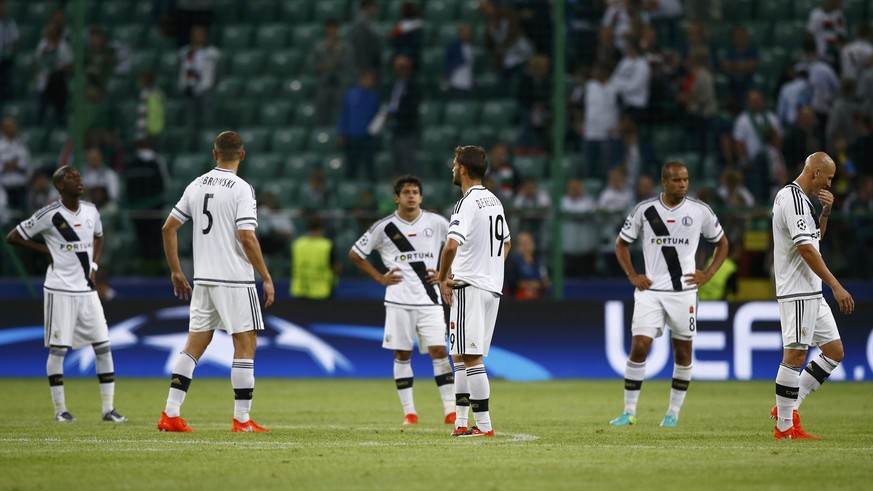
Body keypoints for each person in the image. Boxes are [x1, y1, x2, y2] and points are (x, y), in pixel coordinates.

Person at [158, 131, 275, 433]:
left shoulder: (196, 184)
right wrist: (265, 275)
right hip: (235, 279)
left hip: (204, 279)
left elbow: (168, 228)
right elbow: (247, 237)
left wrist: (175, 270)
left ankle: (170, 413)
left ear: (214, 154)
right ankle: (242, 419)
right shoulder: (242, 188)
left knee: (194, 345)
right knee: (245, 343)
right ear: (243, 155)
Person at [610, 160, 729, 427]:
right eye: (677, 180)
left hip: (684, 292)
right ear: (664, 182)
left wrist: (708, 274)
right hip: (650, 291)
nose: (683, 184)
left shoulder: (700, 211)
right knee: (639, 347)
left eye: (686, 179)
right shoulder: (645, 210)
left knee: (683, 353)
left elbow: (722, 243)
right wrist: (632, 275)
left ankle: (672, 413)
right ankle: (629, 412)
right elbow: (621, 244)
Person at [5, 165, 127, 423]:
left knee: (103, 346)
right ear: (60, 186)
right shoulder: (49, 214)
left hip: (86, 289)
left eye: (79, 176)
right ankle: (60, 410)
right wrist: (45, 251)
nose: (78, 180)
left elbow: (100, 238)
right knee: (59, 350)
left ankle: (108, 409)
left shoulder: (92, 211)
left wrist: (94, 266)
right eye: (72, 177)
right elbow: (13, 237)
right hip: (59, 289)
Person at [349, 175, 455, 425]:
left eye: (415, 192)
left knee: (439, 351)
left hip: (430, 300)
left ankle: (450, 410)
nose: (411, 195)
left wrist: (444, 275)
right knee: (402, 354)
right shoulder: (383, 227)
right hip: (398, 301)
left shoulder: (437, 222)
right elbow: (355, 254)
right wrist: (379, 277)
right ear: (396, 197)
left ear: (421, 196)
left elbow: (456, 247)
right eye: (406, 192)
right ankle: (410, 412)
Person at [770, 151, 854, 440]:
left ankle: (789, 408)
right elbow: (806, 250)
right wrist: (835, 285)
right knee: (794, 356)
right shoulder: (792, 200)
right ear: (815, 173)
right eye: (828, 178)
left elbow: (813, 241)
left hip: (810, 291)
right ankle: (784, 427)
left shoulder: (802, 200)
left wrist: (825, 215)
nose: (830, 184)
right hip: (798, 290)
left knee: (834, 352)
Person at [437, 145, 512, 437]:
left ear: (464, 169)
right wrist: (492, 269)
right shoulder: (494, 201)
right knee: (460, 356)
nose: (453, 169)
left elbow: (451, 245)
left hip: (469, 286)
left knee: (471, 358)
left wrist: (443, 277)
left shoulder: (466, 203)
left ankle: (484, 427)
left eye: (455, 164)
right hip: (489, 287)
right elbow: (505, 242)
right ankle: (460, 423)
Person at [291, 215, 340, 300]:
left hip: (299, 290)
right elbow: (336, 267)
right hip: (322, 291)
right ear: (322, 228)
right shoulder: (327, 245)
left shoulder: (297, 244)